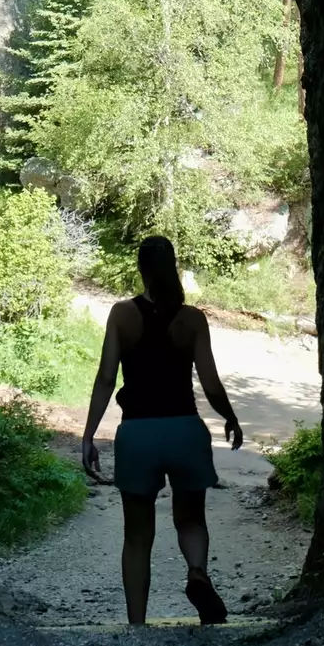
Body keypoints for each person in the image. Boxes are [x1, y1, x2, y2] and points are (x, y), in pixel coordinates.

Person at [81, 235, 244, 626]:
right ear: (173, 267)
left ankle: (137, 624)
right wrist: (230, 417)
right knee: (191, 520)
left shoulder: (122, 314)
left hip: (138, 434)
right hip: (185, 431)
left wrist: (88, 435)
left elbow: (106, 378)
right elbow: (210, 383)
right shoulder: (193, 319)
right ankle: (197, 574)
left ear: (141, 269)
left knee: (137, 537)